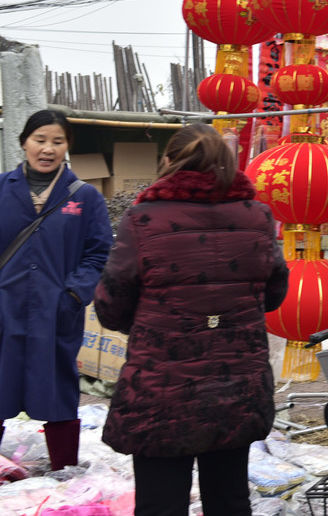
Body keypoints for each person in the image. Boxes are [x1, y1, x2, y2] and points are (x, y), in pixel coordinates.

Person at [94, 123, 289, 516]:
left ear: (169, 162)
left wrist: (154, 321)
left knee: (160, 504)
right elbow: (274, 294)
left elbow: (111, 305)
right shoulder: (258, 217)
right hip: (236, 382)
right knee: (230, 499)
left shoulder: (143, 220)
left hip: (161, 386)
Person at [0, 109, 112, 470]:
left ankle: (64, 470)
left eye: (57, 141)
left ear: (67, 147)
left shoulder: (85, 197)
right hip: (5, 306)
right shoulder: (2, 188)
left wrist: (75, 294)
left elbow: (98, 252)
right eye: (40, 139)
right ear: (23, 143)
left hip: (57, 309)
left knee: (59, 384)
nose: (47, 149)